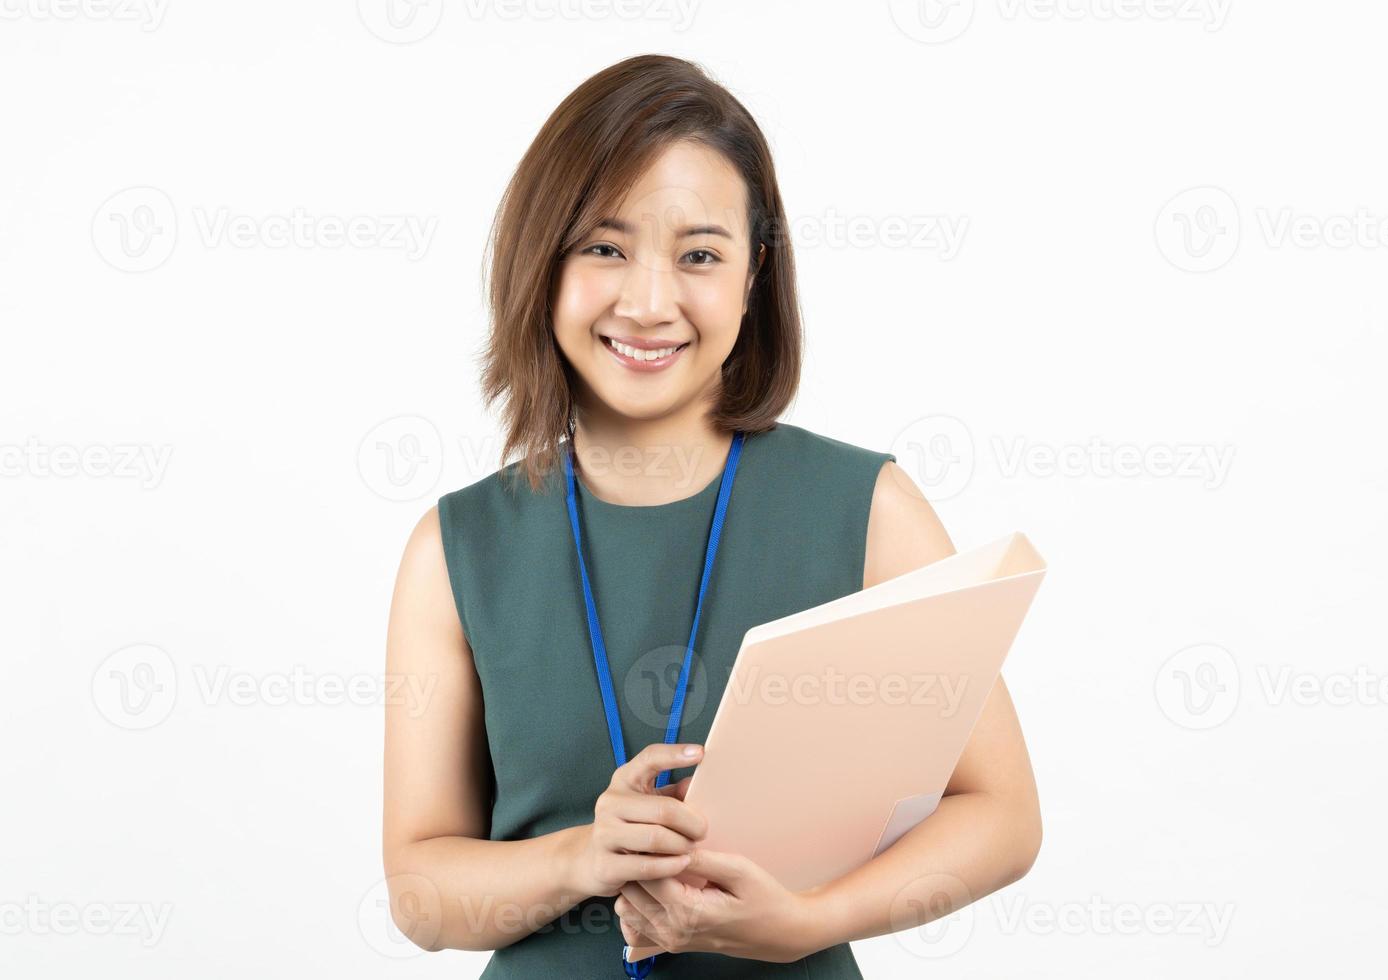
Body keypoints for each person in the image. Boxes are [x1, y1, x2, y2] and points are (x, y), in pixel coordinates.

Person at [382, 54, 1042, 979]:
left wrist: (809, 920)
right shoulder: (454, 550)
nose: (649, 303)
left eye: (699, 254)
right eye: (605, 247)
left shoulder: (867, 510)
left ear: (752, 274)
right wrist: (584, 855)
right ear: (543, 260)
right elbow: (420, 890)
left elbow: (1002, 814)